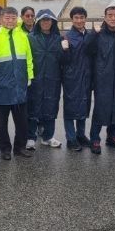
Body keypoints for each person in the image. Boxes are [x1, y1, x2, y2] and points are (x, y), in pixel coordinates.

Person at [0, 6, 34, 160]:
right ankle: (5, 149)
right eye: (7, 18)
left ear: (17, 19)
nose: (10, 21)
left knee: (22, 122)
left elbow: (28, 58)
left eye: (13, 18)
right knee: (2, 123)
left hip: (20, 85)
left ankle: (20, 148)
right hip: (2, 86)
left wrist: (29, 77)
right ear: (1, 19)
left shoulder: (23, 36)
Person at [89, 6, 115, 154]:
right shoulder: (99, 34)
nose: (113, 18)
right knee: (101, 109)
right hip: (103, 78)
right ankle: (95, 139)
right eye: (110, 15)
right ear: (105, 17)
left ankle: (112, 137)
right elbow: (88, 50)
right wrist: (93, 34)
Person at [26, 9, 67, 150]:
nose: (46, 22)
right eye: (43, 20)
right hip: (35, 79)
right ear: (38, 22)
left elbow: (64, 61)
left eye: (48, 20)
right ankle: (30, 137)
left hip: (53, 79)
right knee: (33, 107)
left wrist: (65, 50)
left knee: (51, 107)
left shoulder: (59, 38)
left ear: (53, 22)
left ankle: (48, 137)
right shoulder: (30, 38)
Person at [62, 7, 96, 151]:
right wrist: (64, 50)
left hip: (87, 76)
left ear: (85, 19)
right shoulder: (67, 36)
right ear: (72, 19)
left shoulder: (90, 34)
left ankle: (80, 135)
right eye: (76, 18)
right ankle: (71, 139)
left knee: (84, 105)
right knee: (70, 109)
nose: (79, 20)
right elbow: (63, 61)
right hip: (72, 77)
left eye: (82, 17)